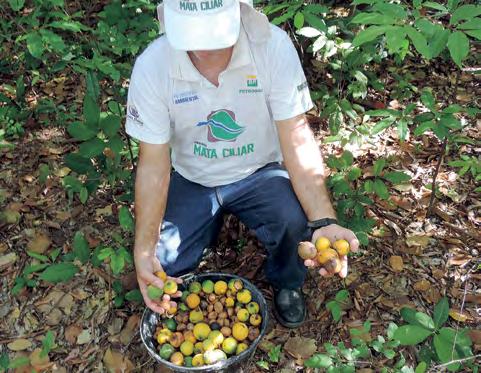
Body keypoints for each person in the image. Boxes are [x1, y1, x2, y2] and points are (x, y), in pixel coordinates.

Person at [126, 0, 359, 328]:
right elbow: (153, 166)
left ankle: (287, 283)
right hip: (192, 175)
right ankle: (203, 232)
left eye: (214, 34)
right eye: (194, 35)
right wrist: (145, 248)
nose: (204, 48)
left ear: (240, 11)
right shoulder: (153, 65)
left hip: (259, 171)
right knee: (163, 264)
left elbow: (296, 139)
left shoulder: (272, 48)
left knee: (295, 223)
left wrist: (323, 221)